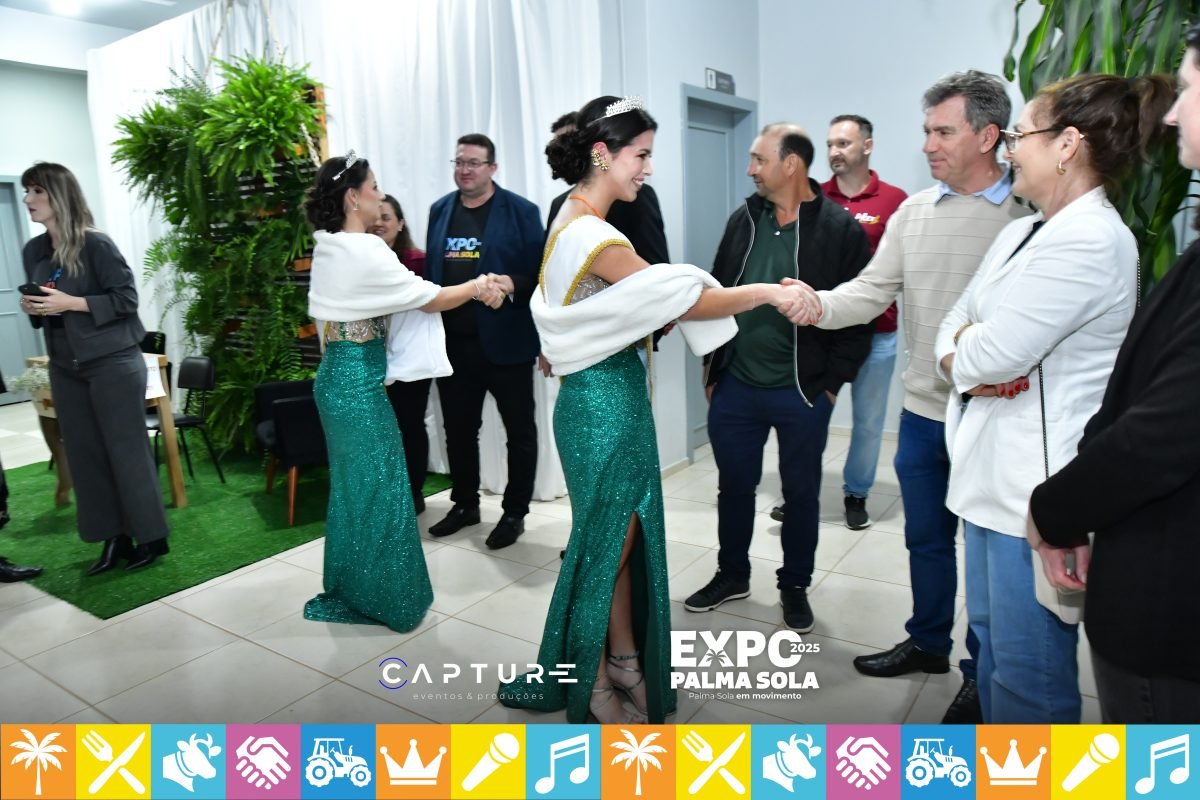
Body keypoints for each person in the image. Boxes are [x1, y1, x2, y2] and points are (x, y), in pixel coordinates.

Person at [499, 95, 810, 724]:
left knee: (617, 543)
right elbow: (682, 301)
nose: (647, 168)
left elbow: (599, 311)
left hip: (601, 399)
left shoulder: (572, 215)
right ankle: (589, 679)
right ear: (602, 154)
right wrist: (765, 294)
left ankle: (624, 662)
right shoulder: (594, 236)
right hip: (605, 408)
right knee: (609, 548)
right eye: (640, 155)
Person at [781, 71, 1030, 723]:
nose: (927, 145)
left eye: (942, 132)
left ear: (988, 136)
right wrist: (815, 304)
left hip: (995, 419)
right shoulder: (915, 213)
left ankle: (982, 674)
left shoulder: (1028, 214)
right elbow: (870, 291)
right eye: (926, 131)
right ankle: (927, 643)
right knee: (926, 539)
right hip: (922, 413)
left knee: (990, 559)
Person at [933, 74, 1172, 723]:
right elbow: (953, 327)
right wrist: (967, 355)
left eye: (1020, 135)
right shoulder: (1023, 231)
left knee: (1026, 678)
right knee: (991, 649)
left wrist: (970, 354)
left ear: (1067, 144)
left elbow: (989, 354)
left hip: (1033, 495)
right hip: (987, 478)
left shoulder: (1092, 240)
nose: (1009, 149)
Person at [1028, 35, 1200, 724]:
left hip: (1171, 616)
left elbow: (1163, 432)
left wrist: (1056, 511)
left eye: (1191, 90)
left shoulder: (1099, 238)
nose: (1173, 114)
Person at [303, 152, 506, 633]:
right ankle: (382, 598)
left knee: (358, 491)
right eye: (373, 186)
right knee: (380, 489)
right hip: (357, 389)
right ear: (353, 197)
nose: (379, 194)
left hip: (338, 382)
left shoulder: (331, 245)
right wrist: (479, 284)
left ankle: (358, 587)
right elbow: (429, 298)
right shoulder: (364, 250)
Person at [683, 123, 873, 633]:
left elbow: (862, 314)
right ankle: (732, 574)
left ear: (791, 164)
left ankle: (794, 585)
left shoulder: (839, 230)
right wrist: (713, 369)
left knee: (801, 495)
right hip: (737, 386)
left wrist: (830, 384)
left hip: (803, 393)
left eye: (759, 160)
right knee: (734, 488)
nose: (750, 170)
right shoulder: (744, 219)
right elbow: (715, 292)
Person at [19, 162, 169, 575]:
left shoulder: (96, 244)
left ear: (59, 194)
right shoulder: (34, 251)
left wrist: (71, 303)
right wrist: (34, 306)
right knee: (84, 454)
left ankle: (151, 537)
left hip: (112, 362)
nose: (28, 199)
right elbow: (47, 307)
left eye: (37, 191)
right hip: (65, 365)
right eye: (27, 191)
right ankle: (113, 538)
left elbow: (126, 300)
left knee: (127, 452)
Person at [772, 115, 906, 529]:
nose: (834, 152)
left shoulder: (894, 201)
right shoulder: (810, 197)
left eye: (844, 144)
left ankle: (856, 494)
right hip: (819, 333)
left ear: (867, 146)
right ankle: (798, 494)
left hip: (877, 333)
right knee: (807, 418)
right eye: (830, 144)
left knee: (868, 422)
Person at [424, 134, 543, 550]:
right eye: (459, 162)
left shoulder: (522, 211)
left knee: (520, 433)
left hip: (507, 345)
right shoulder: (440, 210)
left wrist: (511, 284)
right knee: (458, 432)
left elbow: (540, 275)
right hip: (454, 346)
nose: (464, 170)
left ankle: (514, 513)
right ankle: (464, 505)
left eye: (473, 163)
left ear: (492, 168)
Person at [373, 194, 431, 514]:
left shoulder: (418, 261)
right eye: (376, 217)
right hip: (372, 358)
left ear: (400, 223)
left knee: (410, 425)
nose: (379, 223)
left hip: (410, 358)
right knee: (382, 428)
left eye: (387, 217)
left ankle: (414, 491)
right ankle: (388, 489)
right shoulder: (365, 261)